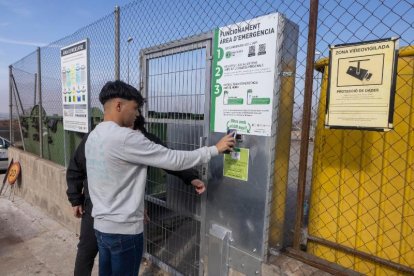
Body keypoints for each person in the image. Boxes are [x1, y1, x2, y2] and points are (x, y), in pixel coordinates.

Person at [85, 80, 235, 275]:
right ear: (118, 105)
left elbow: (112, 181)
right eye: (135, 108)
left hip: (102, 228)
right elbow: (173, 159)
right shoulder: (125, 138)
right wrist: (215, 149)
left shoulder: (94, 135)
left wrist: (138, 208)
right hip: (124, 232)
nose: (138, 114)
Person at [66, 114, 205, 275]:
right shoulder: (98, 136)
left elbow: (167, 158)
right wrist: (75, 197)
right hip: (95, 206)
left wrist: (191, 177)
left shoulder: (142, 139)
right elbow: (76, 165)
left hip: (124, 214)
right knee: (87, 250)